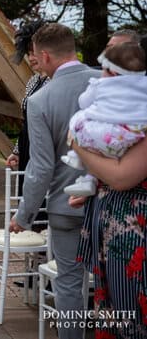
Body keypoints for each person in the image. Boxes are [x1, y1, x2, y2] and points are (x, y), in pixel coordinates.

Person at [10, 23, 99, 339]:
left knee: (70, 284)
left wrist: (24, 215)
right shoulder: (108, 83)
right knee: (117, 283)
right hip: (112, 202)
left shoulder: (41, 99)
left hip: (66, 209)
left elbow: (41, 167)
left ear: (44, 56)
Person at [70, 126, 147, 338]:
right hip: (115, 227)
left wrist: (75, 141)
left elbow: (122, 177)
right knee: (115, 315)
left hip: (134, 234)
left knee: (132, 320)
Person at [62, 42, 147, 196]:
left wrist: (74, 143)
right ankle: (89, 179)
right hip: (132, 134)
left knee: (78, 120)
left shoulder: (101, 85)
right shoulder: (142, 87)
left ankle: (78, 159)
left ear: (112, 72)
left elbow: (83, 102)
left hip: (106, 137)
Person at [5, 20, 50, 184]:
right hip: (27, 147)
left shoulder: (56, 81)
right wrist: (17, 151)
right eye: (27, 53)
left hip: (43, 149)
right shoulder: (32, 82)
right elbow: (26, 122)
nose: (31, 58)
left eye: (33, 52)